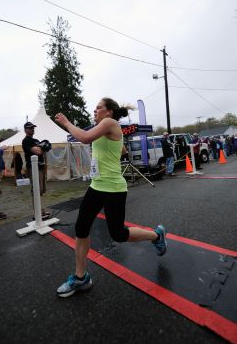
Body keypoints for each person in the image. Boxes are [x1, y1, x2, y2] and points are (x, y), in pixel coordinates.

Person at [54, 97, 167, 298]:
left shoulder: (109, 123)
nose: (94, 110)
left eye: (98, 107)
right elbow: (121, 149)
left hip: (114, 189)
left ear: (109, 112)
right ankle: (81, 277)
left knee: (118, 234)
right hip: (96, 186)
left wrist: (66, 123)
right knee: (81, 229)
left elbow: (86, 138)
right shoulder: (106, 128)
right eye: (95, 107)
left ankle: (156, 236)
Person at [22, 121, 50, 220]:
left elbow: (43, 151)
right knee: (36, 190)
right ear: (25, 130)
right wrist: (43, 147)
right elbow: (38, 151)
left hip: (41, 167)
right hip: (33, 168)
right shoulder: (26, 140)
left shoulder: (36, 140)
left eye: (33, 128)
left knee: (40, 190)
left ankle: (40, 211)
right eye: (30, 128)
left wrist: (43, 148)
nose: (32, 129)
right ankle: (37, 213)